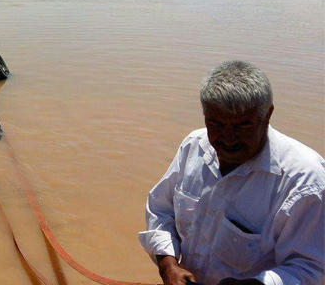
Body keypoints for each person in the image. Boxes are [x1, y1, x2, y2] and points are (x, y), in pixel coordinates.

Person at [138, 60, 324, 285]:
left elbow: (313, 268)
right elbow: (161, 210)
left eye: (242, 126)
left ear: (268, 115)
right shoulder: (193, 146)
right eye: (215, 124)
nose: (228, 138)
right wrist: (168, 266)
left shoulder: (305, 181)